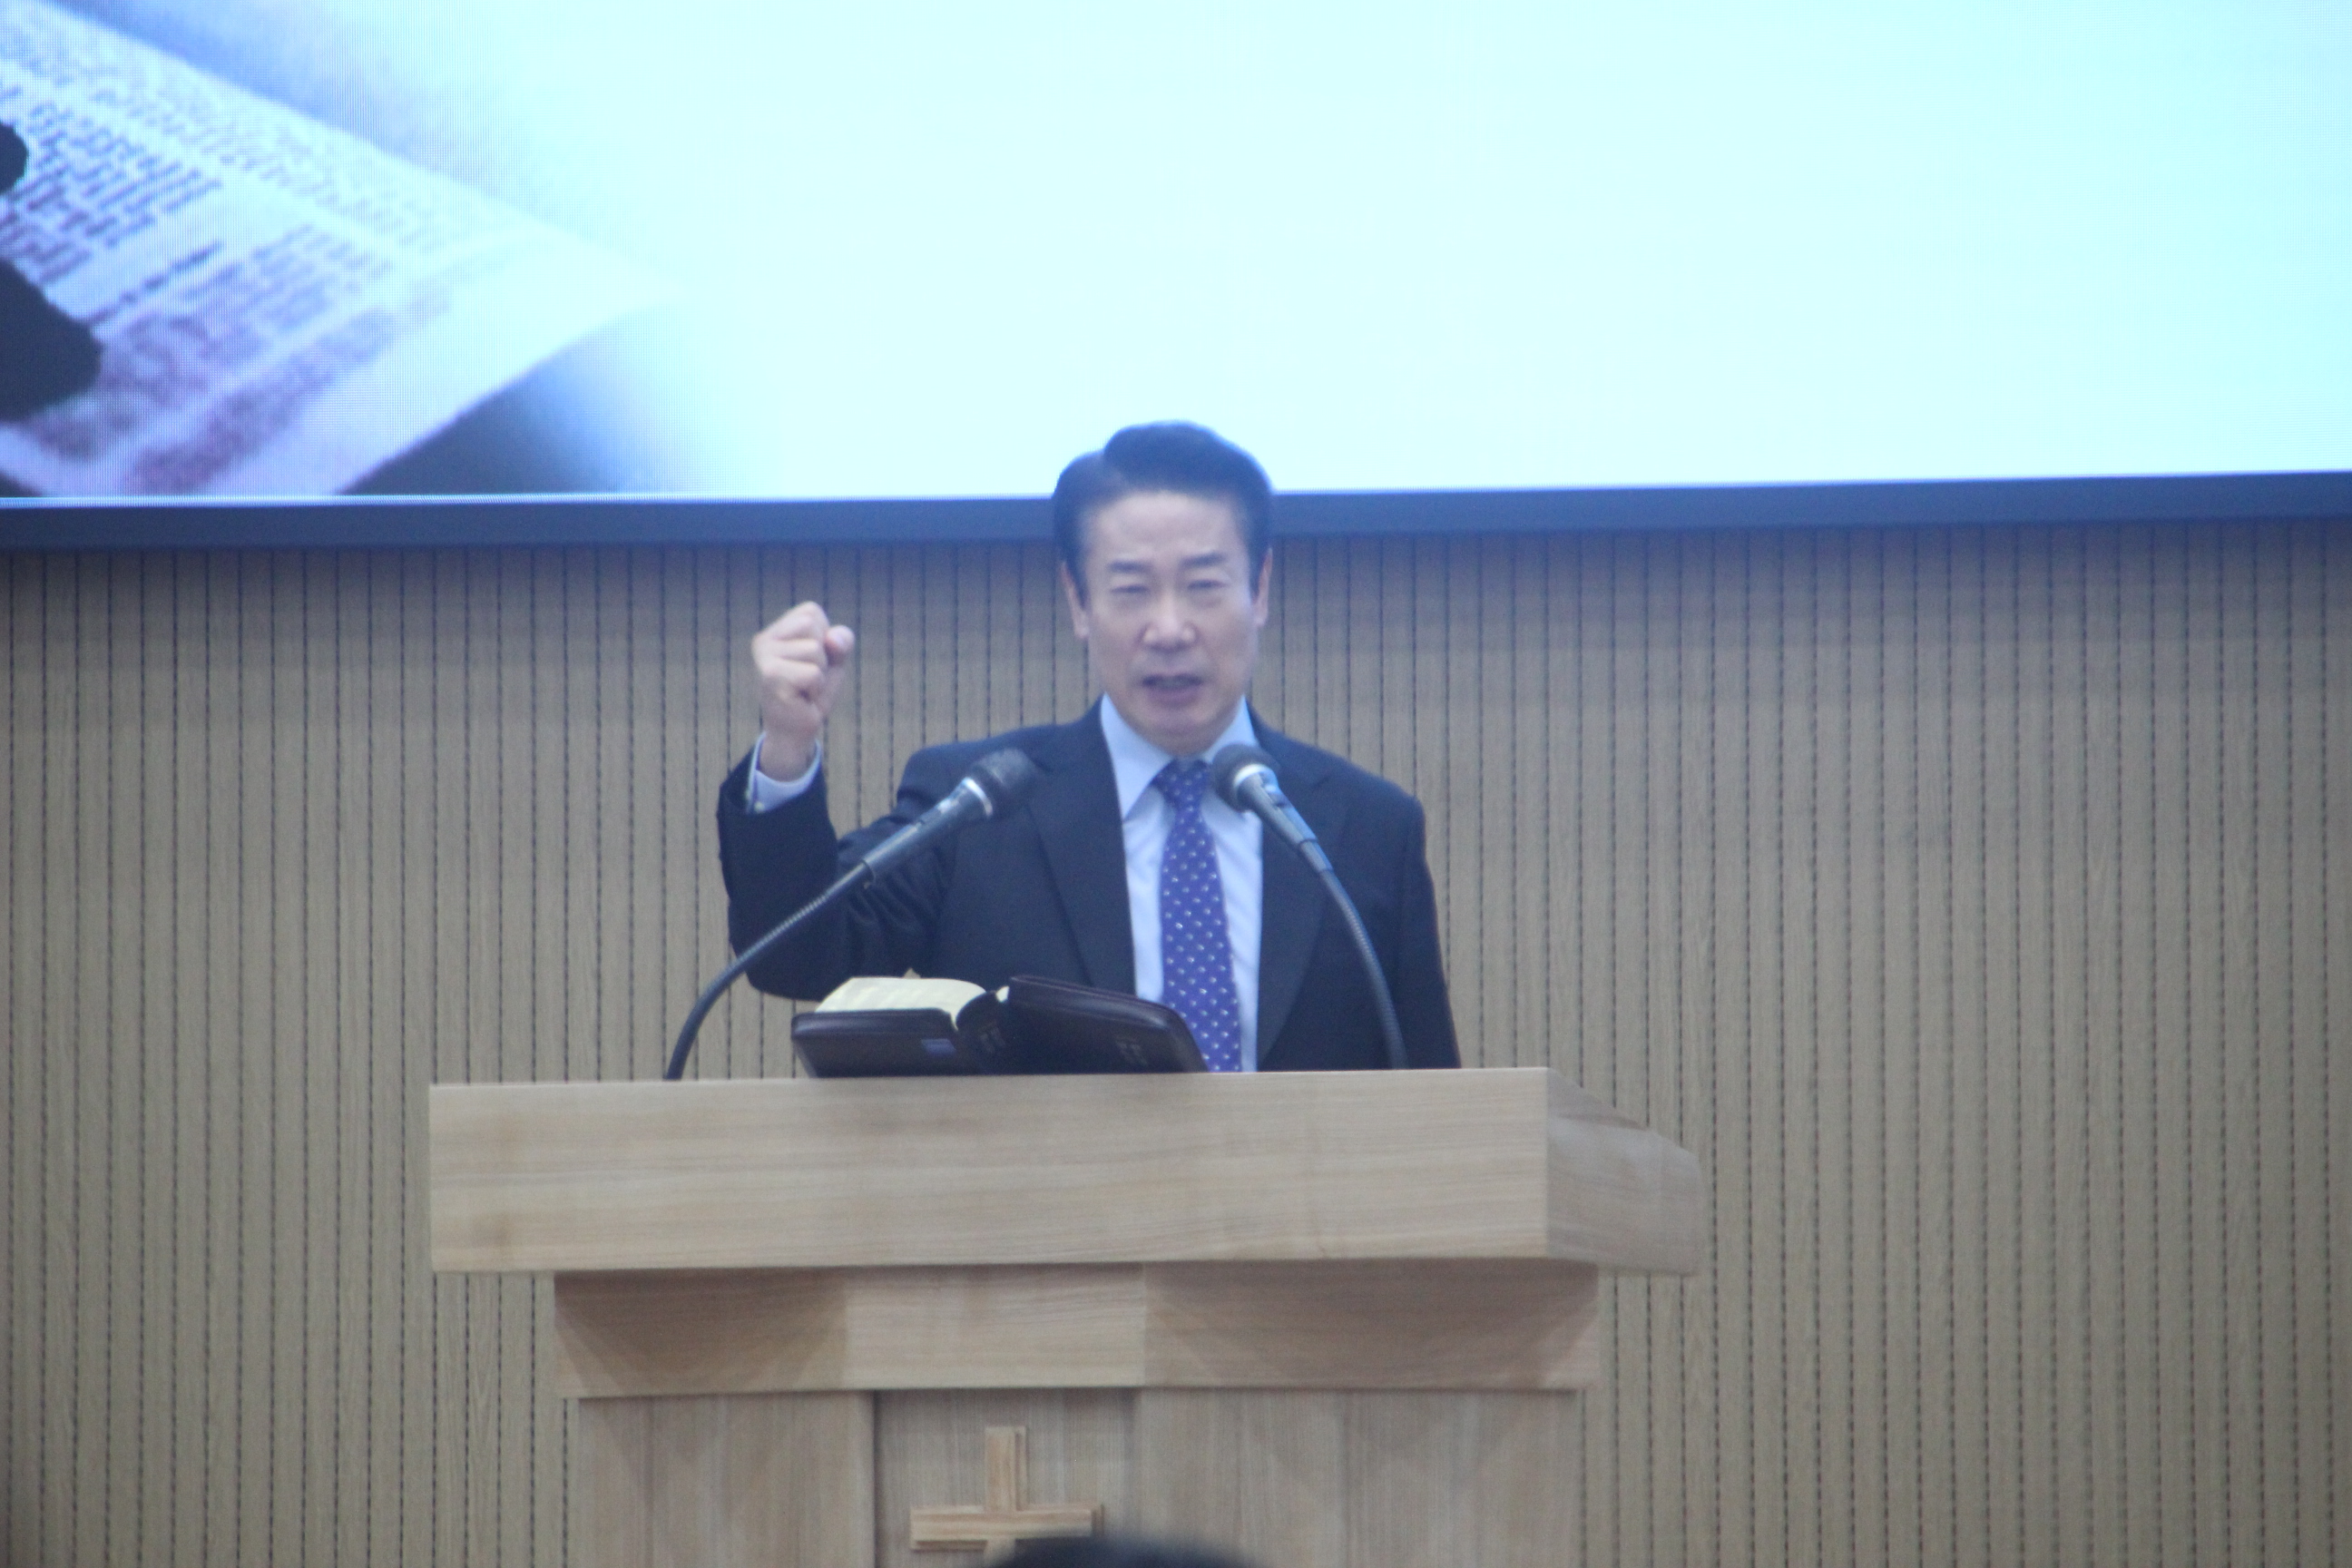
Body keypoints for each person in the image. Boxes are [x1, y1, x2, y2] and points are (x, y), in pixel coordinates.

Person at [715, 421, 1458, 1071]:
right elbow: (794, 954)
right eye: (1131, 590)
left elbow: (1427, 1095)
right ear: (1078, 601)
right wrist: (787, 748)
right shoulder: (980, 806)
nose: (1169, 629)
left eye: (1203, 585)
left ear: (1259, 589)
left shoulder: (1366, 829)